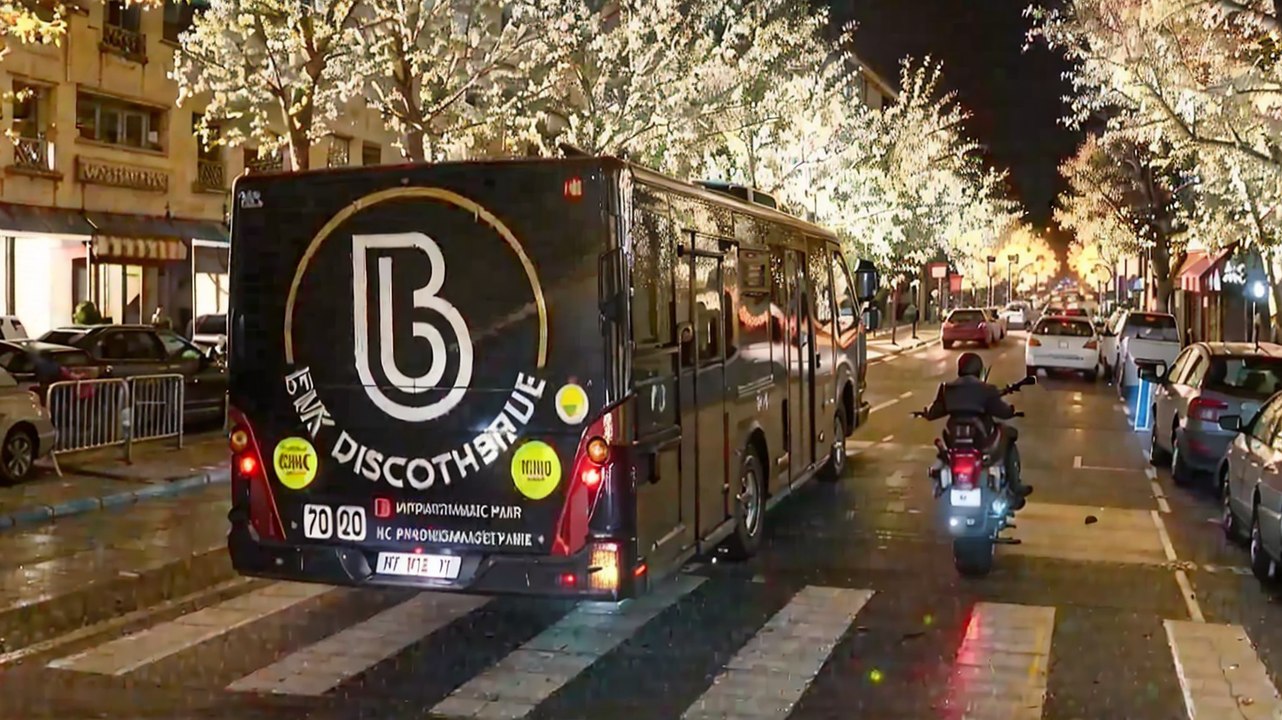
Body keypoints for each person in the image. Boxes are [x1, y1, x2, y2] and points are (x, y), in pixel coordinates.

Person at [921, 352, 1033, 508]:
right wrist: (1011, 410)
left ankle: (941, 484)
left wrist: (927, 412)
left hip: (954, 442)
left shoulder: (947, 388)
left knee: (942, 458)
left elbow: (933, 413)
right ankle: (1015, 485)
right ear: (979, 370)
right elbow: (1003, 412)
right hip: (981, 442)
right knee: (1010, 435)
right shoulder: (987, 389)